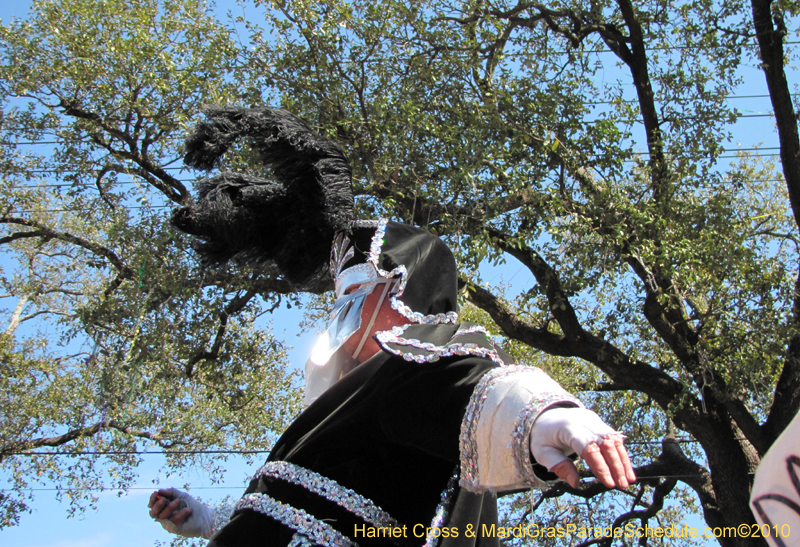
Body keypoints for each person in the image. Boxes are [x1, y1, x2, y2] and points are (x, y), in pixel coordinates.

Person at [148, 108, 636, 546]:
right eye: (344, 301)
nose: (346, 316)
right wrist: (210, 519)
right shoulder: (342, 407)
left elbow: (462, 380)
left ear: (404, 293)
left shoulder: (411, 364)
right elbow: (304, 507)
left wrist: (548, 416)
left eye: (360, 295)